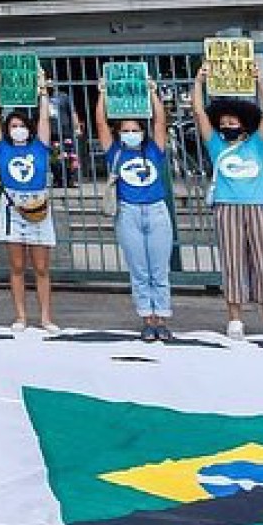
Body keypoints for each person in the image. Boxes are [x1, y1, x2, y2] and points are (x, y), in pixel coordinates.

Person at [193, 61, 263, 340]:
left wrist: (260, 81)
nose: (227, 126)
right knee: (233, 260)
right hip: (227, 206)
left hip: (259, 204)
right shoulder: (216, 145)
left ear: (244, 126)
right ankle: (234, 317)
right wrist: (199, 82)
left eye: (232, 123)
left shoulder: (256, 145)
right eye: (223, 123)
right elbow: (198, 111)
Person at [96, 84, 173, 342]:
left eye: (135, 130)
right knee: (139, 270)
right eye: (126, 130)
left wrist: (152, 93)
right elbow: (100, 124)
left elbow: (161, 122)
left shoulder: (154, 150)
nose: (130, 133)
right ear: (119, 133)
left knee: (159, 270)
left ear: (143, 131)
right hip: (128, 212)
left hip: (156, 210)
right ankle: (147, 319)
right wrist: (104, 94)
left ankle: (162, 317)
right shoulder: (115, 152)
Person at [0, 72, 57, 334]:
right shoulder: (3, 149)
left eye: (22, 125)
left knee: (41, 267)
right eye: (13, 126)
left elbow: (44, 118)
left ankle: (45, 317)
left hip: (37, 203)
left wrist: (42, 91)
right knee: (17, 266)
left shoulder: (39, 146)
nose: (18, 129)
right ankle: (20, 316)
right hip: (11, 206)